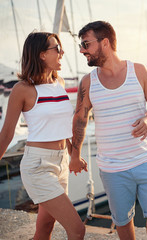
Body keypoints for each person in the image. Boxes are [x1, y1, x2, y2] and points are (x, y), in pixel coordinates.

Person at [71, 20, 147, 240]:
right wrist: (75, 155)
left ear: (104, 42)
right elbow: (80, 120)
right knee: (122, 219)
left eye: (86, 44)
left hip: (145, 159)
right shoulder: (88, 82)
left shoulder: (139, 71)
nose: (81, 50)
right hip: (111, 167)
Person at [0, 32, 87, 240]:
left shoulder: (60, 83)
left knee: (46, 226)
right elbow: (7, 133)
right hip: (38, 165)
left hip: (61, 163)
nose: (62, 52)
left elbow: (63, 127)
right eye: (57, 49)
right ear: (41, 55)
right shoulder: (22, 89)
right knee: (77, 229)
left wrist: (73, 155)